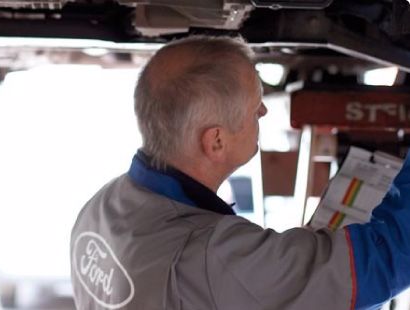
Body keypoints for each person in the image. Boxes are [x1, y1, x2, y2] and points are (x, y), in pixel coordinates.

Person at [70, 35, 410, 310]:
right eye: (254, 105)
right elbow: (387, 257)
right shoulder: (214, 258)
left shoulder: (100, 208)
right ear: (216, 141)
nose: (262, 110)